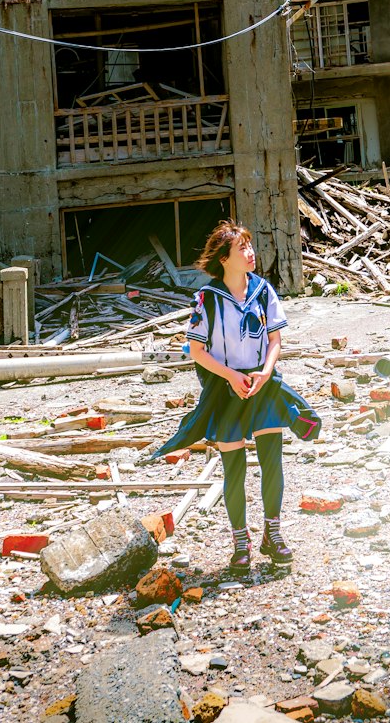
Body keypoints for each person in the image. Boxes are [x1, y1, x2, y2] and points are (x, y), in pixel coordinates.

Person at [150, 221, 320, 575]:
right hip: (227, 391)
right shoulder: (206, 299)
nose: (250, 252)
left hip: (263, 387)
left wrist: (266, 373)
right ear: (225, 259)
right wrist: (231, 376)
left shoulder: (264, 291)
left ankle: (273, 534)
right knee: (234, 470)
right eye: (242, 248)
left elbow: (275, 341)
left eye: (249, 246)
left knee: (273, 463)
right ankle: (240, 544)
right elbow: (196, 351)